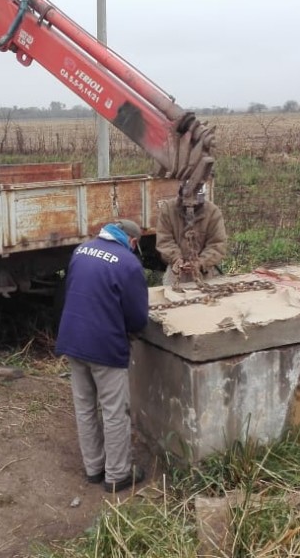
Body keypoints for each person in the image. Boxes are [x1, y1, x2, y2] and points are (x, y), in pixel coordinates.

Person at [56, 219, 149, 493]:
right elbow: (137, 316)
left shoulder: (81, 250)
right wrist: (132, 334)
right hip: (105, 347)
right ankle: (118, 474)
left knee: (85, 406)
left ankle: (93, 468)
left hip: (73, 339)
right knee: (114, 411)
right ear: (132, 241)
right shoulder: (129, 263)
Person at [155, 183, 228, 286]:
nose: (191, 205)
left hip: (205, 272)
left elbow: (217, 244)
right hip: (175, 271)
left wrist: (200, 262)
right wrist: (176, 259)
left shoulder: (213, 212)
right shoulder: (168, 209)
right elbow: (164, 241)